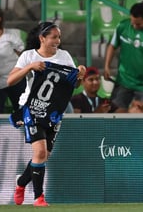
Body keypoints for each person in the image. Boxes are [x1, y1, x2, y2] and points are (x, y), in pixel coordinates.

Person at [7, 21, 86, 207]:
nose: (57, 41)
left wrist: (80, 75)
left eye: (59, 37)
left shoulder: (65, 56)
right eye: (53, 37)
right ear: (42, 38)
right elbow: (10, 80)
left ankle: (20, 184)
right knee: (40, 152)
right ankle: (38, 198)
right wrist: (30, 67)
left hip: (53, 112)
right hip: (32, 109)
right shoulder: (29, 56)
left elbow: (73, 85)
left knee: (43, 156)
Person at [104, 2, 143, 112]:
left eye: (138, 24)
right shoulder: (122, 26)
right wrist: (107, 66)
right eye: (132, 22)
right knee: (114, 116)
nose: (134, 26)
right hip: (123, 81)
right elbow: (112, 45)